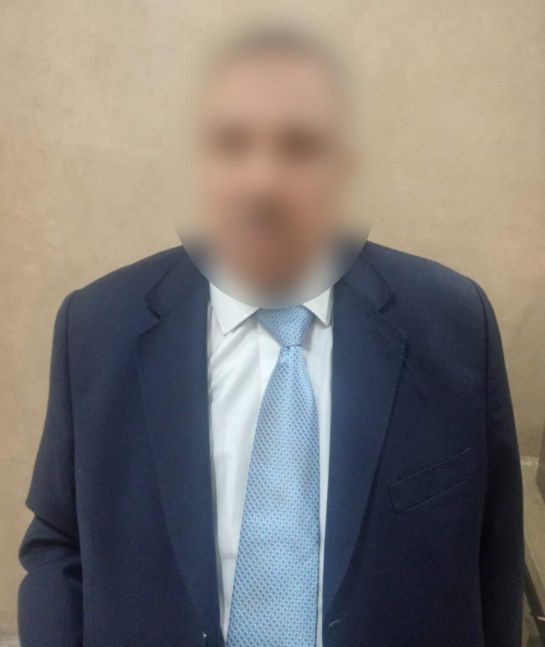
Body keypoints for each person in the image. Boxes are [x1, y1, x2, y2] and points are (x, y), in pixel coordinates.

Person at [18, 23, 523, 647]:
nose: (263, 182)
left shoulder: (453, 321)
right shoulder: (98, 327)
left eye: (300, 146)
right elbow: (59, 544)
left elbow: (495, 550)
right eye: (230, 143)